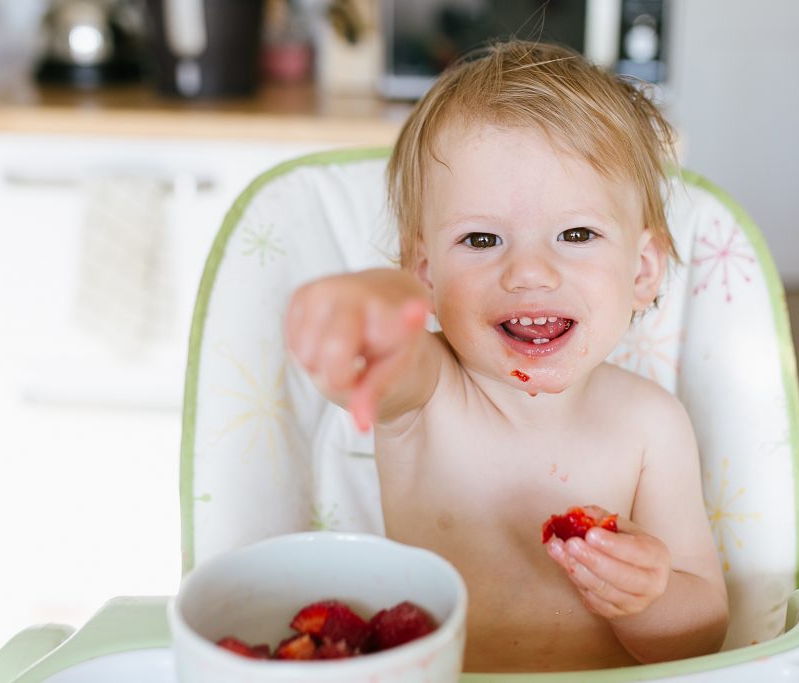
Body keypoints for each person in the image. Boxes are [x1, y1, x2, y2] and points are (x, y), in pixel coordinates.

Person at [285, 39, 727, 673]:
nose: (528, 272)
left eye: (576, 233)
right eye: (481, 239)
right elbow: (376, 358)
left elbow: (700, 637)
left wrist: (649, 597)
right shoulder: (427, 392)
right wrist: (367, 306)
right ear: (425, 275)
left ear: (643, 270)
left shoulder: (651, 426)